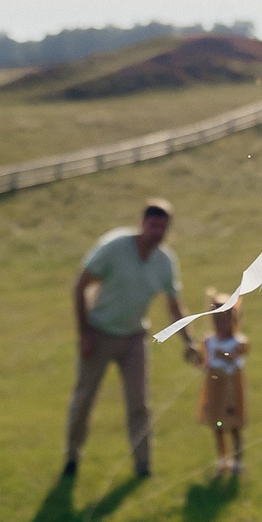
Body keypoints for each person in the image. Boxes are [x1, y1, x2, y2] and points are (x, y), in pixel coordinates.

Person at [65, 200, 190, 480]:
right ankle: (72, 458)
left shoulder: (165, 261)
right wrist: (84, 333)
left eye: (163, 227)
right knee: (84, 399)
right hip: (99, 334)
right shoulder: (115, 247)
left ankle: (143, 466)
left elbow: (173, 304)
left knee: (139, 404)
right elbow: (80, 285)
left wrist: (188, 341)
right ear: (142, 223)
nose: (157, 231)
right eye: (153, 225)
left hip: (135, 339)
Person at [191, 289, 249, 476]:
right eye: (216, 320)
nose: (220, 324)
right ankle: (222, 461)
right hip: (215, 390)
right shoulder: (208, 341)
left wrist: (222, 354)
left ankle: (238, 462)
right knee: (217, 427)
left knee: (234, 426)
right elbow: (204, 362)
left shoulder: (239, 342)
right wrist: (196, 358)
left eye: (223, 320)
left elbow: (234, 356)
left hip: (231, 391)